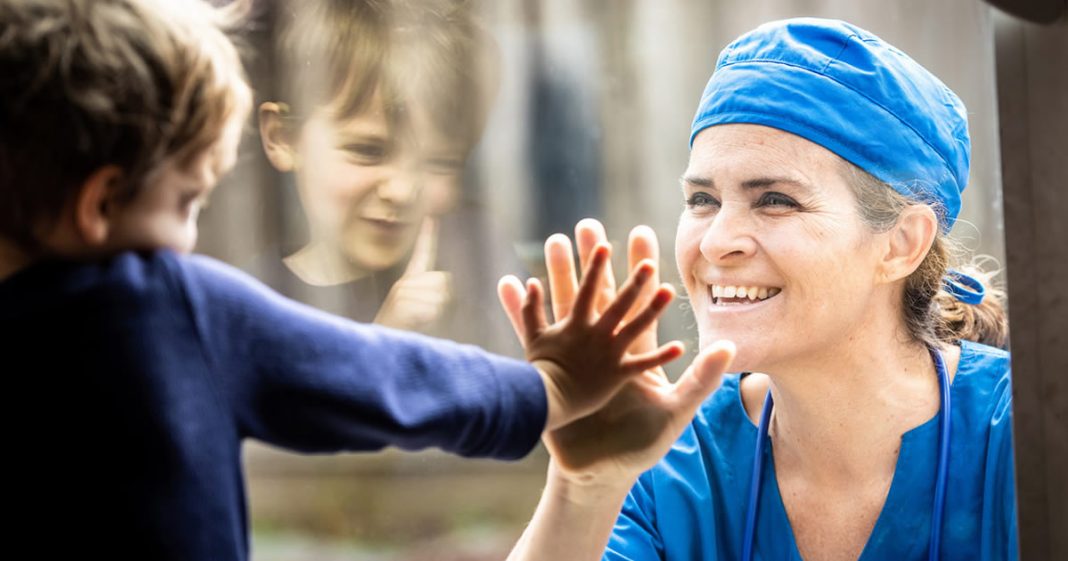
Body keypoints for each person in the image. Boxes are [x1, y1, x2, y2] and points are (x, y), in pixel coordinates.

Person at [0, 1, 735, 559]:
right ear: (100, 203)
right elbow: (386, 379)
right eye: (185, 201)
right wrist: (548, 388)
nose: (188, 237)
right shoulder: (169, 306)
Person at [499, 18, 1015, 561]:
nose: (717, 242)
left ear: (901, 245)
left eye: (774, 199)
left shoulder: (1025, 434)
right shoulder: (667, 463)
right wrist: (586, 488)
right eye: (702, 200)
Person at [257, 0, 499, 334]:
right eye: (367, 151)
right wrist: (387, 340)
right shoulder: (253, 301)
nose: (401, 191)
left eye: (440, 163)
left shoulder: (482, 268)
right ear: (282, 138)